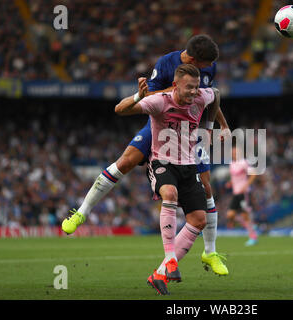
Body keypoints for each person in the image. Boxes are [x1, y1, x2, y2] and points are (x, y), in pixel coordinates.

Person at [62, 35, 230, 276]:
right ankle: (81, 212)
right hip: (162, 125)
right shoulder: (165, 63)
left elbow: (212, 96)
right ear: (193, 59)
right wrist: (176, 90)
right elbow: (150, 96)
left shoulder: (208, 66)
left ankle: (210, 251)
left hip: (189, 132)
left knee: (206, 188)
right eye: (204, 65)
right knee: (126, 161)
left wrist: (218, 126)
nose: (207, 69)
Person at [115, 64, 219, 295]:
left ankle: (159, 274)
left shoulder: (202, 96)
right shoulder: (159, 101)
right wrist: (137, 96)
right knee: (169, 194)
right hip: (162, 162)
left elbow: (217, 95)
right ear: (175, 85)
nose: (194, 92)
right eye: (189, 87)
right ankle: (171, 259)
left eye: (196, 87)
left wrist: (209, 128)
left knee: (199, 220)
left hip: (188, 165)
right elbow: (120, 109)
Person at [226, 144, 259, 246]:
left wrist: (246, 185)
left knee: (245, 215)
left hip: (244, 193)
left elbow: (253, 174)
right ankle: (250, 225)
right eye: (233, 152)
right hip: (236, 193)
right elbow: (233, 177)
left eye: (236, 152)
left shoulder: (244, 163)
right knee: (230, 215)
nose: (234, 154)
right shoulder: (231, 163)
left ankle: (253, 237)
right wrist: (230, 183)